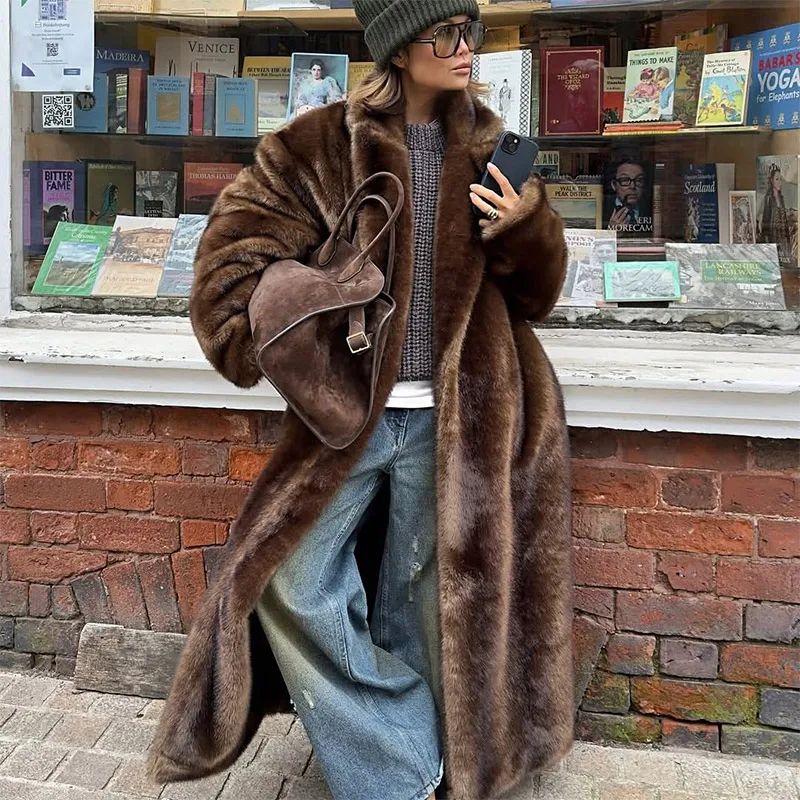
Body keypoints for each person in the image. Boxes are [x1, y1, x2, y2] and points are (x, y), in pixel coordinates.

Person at [145, 3, 574, 800]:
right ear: (398, 48)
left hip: (460, 418)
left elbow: (538, 297)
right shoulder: (316, 145)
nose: (466, 48)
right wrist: (295, 311)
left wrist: (527, 226)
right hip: (347, 418)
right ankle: (404, 755)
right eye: (446, 33)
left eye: (471, 30)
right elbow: (228, 266)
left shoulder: (490, 147)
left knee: (421, 604)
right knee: (289, 578)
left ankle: (407, 776)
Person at [605, 158, 652, 235]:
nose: (632, 186)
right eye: (625, 180)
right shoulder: (602, 209)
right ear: (614, 185)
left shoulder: (652, 210)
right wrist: (610, 234)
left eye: (639, 180)